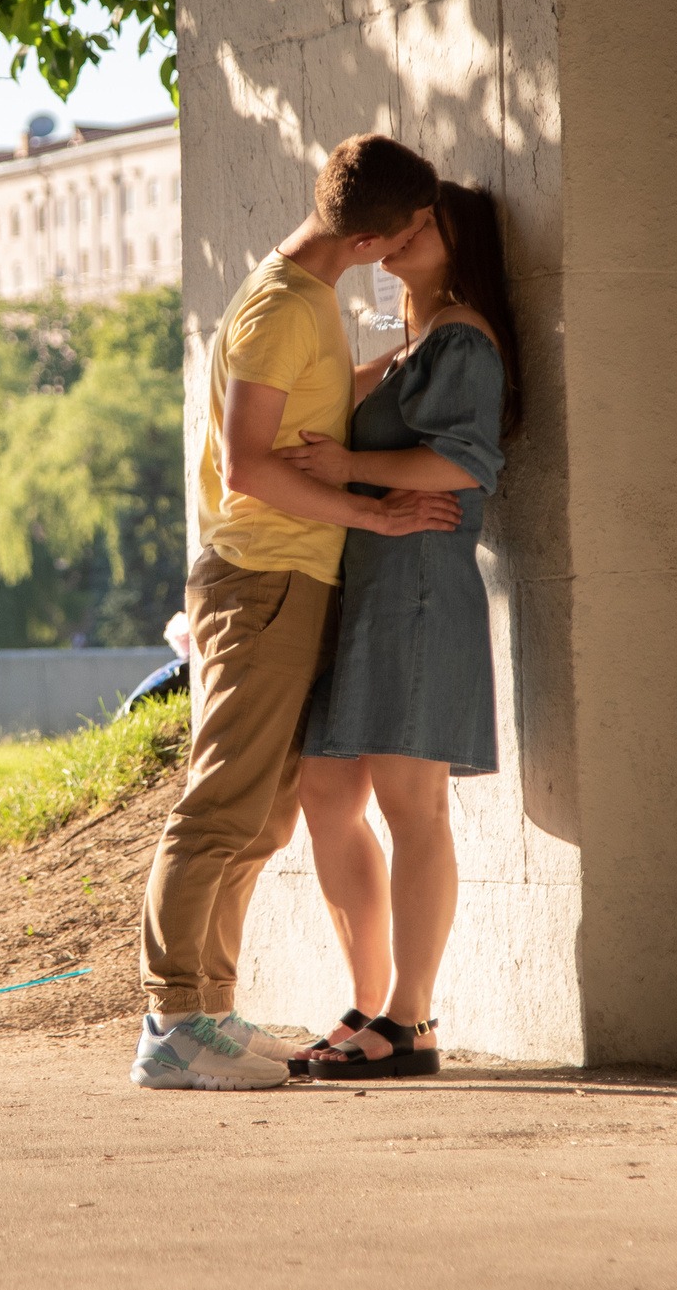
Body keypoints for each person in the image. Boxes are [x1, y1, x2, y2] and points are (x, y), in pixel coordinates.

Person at [130, 135, 466, 1092]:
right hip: (263, 579)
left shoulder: (308, 296)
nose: (413, 246)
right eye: (412, 230)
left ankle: (208, 1009)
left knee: (262, 816)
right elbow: (250, 464)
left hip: (290, 582)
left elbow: (306, 413)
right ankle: (172, 1021)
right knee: (219, 806)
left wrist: (405, 359)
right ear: (375, 236)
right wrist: (378, 510)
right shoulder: (282, 309)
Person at [277, 179, 523, 1080]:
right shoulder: (405, 335)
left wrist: (349, 463)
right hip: (368, 581)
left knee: (411, 806)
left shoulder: (462, 332)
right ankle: (367, 1004)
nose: (408, 232)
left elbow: (465, 462)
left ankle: (411, 1022)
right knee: (327, 797)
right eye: (404, 219)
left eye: (430, 221)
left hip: (418, 581)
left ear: (462, 240)